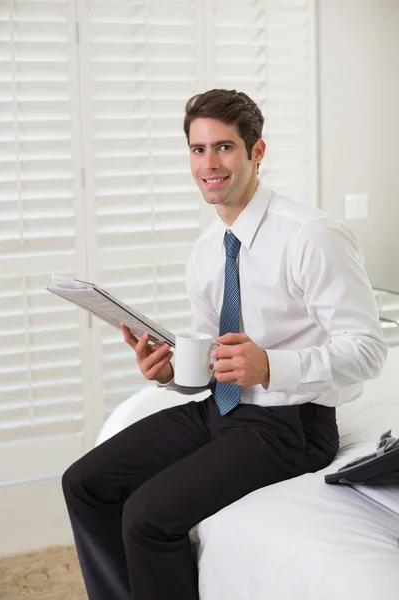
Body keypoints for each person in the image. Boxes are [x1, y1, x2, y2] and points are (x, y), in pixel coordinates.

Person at [62, 89, 388, 600]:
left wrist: (270, 367)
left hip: (291, 427)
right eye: (198, 149)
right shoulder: (206, 251)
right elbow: (211, 365)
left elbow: (368, 350)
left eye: (225, 148)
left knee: (148, 517)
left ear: (257, 152)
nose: (209, 164)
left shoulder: (313, 236)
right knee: (85, 483)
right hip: (222, 411)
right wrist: (170, 375)